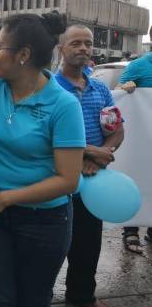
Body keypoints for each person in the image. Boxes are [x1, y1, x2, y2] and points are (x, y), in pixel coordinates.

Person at [0, 12, 86, 307]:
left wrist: (3, 199)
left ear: (23, 55)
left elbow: (68, 180)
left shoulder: (63, 105)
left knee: (33, 298)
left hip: (44, 220)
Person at [56, 25, 125, 307]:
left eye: (88, 43)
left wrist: (102, 154)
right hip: (56, 181)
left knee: (88, 247)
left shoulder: (100, 89)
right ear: (61, 49)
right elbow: (42, 135)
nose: (83, 48)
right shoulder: (49, 88)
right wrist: (85, 155)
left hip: (93, 183)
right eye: (76, 43)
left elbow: (117, 130)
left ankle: (82, 298)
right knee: (49, 248)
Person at [118, 50, 152, 252]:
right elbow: (118, 93)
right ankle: (130, 231)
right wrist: (125, 87)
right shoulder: (138, 65)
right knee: (137, 177)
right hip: (141, 136)